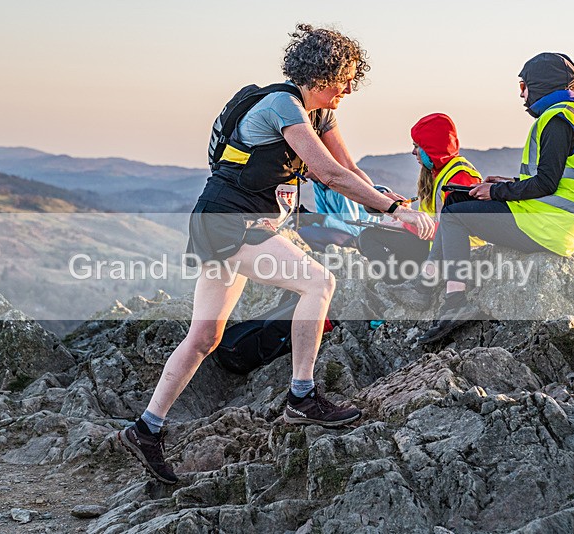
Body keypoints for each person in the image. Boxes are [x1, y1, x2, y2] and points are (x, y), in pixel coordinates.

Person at [118, 24, 435, 485]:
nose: (349, 89)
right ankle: (302, 397)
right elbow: (326, 173)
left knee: (205, 337)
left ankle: (146, 429)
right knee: (319, 282)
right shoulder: (283, 106)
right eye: (345, 79)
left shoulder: (318, 114)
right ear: (325, 74)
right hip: (229, 224)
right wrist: (389, 211)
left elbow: (348, 167)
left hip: (224, 222)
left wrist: (394, 203)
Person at [418, 52, 574, 343]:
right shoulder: (572, 116)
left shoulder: (557, 121)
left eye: (523, 86)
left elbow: (546, 183)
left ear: (541, 84)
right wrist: (509, 183)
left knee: (454, 215)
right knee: (455, 200)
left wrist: (494, 191)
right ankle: (427, 284)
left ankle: (454, 303)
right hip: (547, 220)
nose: (522, 95)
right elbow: (554, 178)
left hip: (546, 228)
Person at [375, 113, 483, 300]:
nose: (413, 152)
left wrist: (406, 223)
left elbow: (453, 230)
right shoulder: (438, 173)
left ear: (433, 148)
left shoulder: (460, 176)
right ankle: (405, 287)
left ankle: (418, 291)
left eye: (418, 146)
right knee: (369, 236)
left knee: (373, 238)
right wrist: (405, 214)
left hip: (462, 251)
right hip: (434, 246)